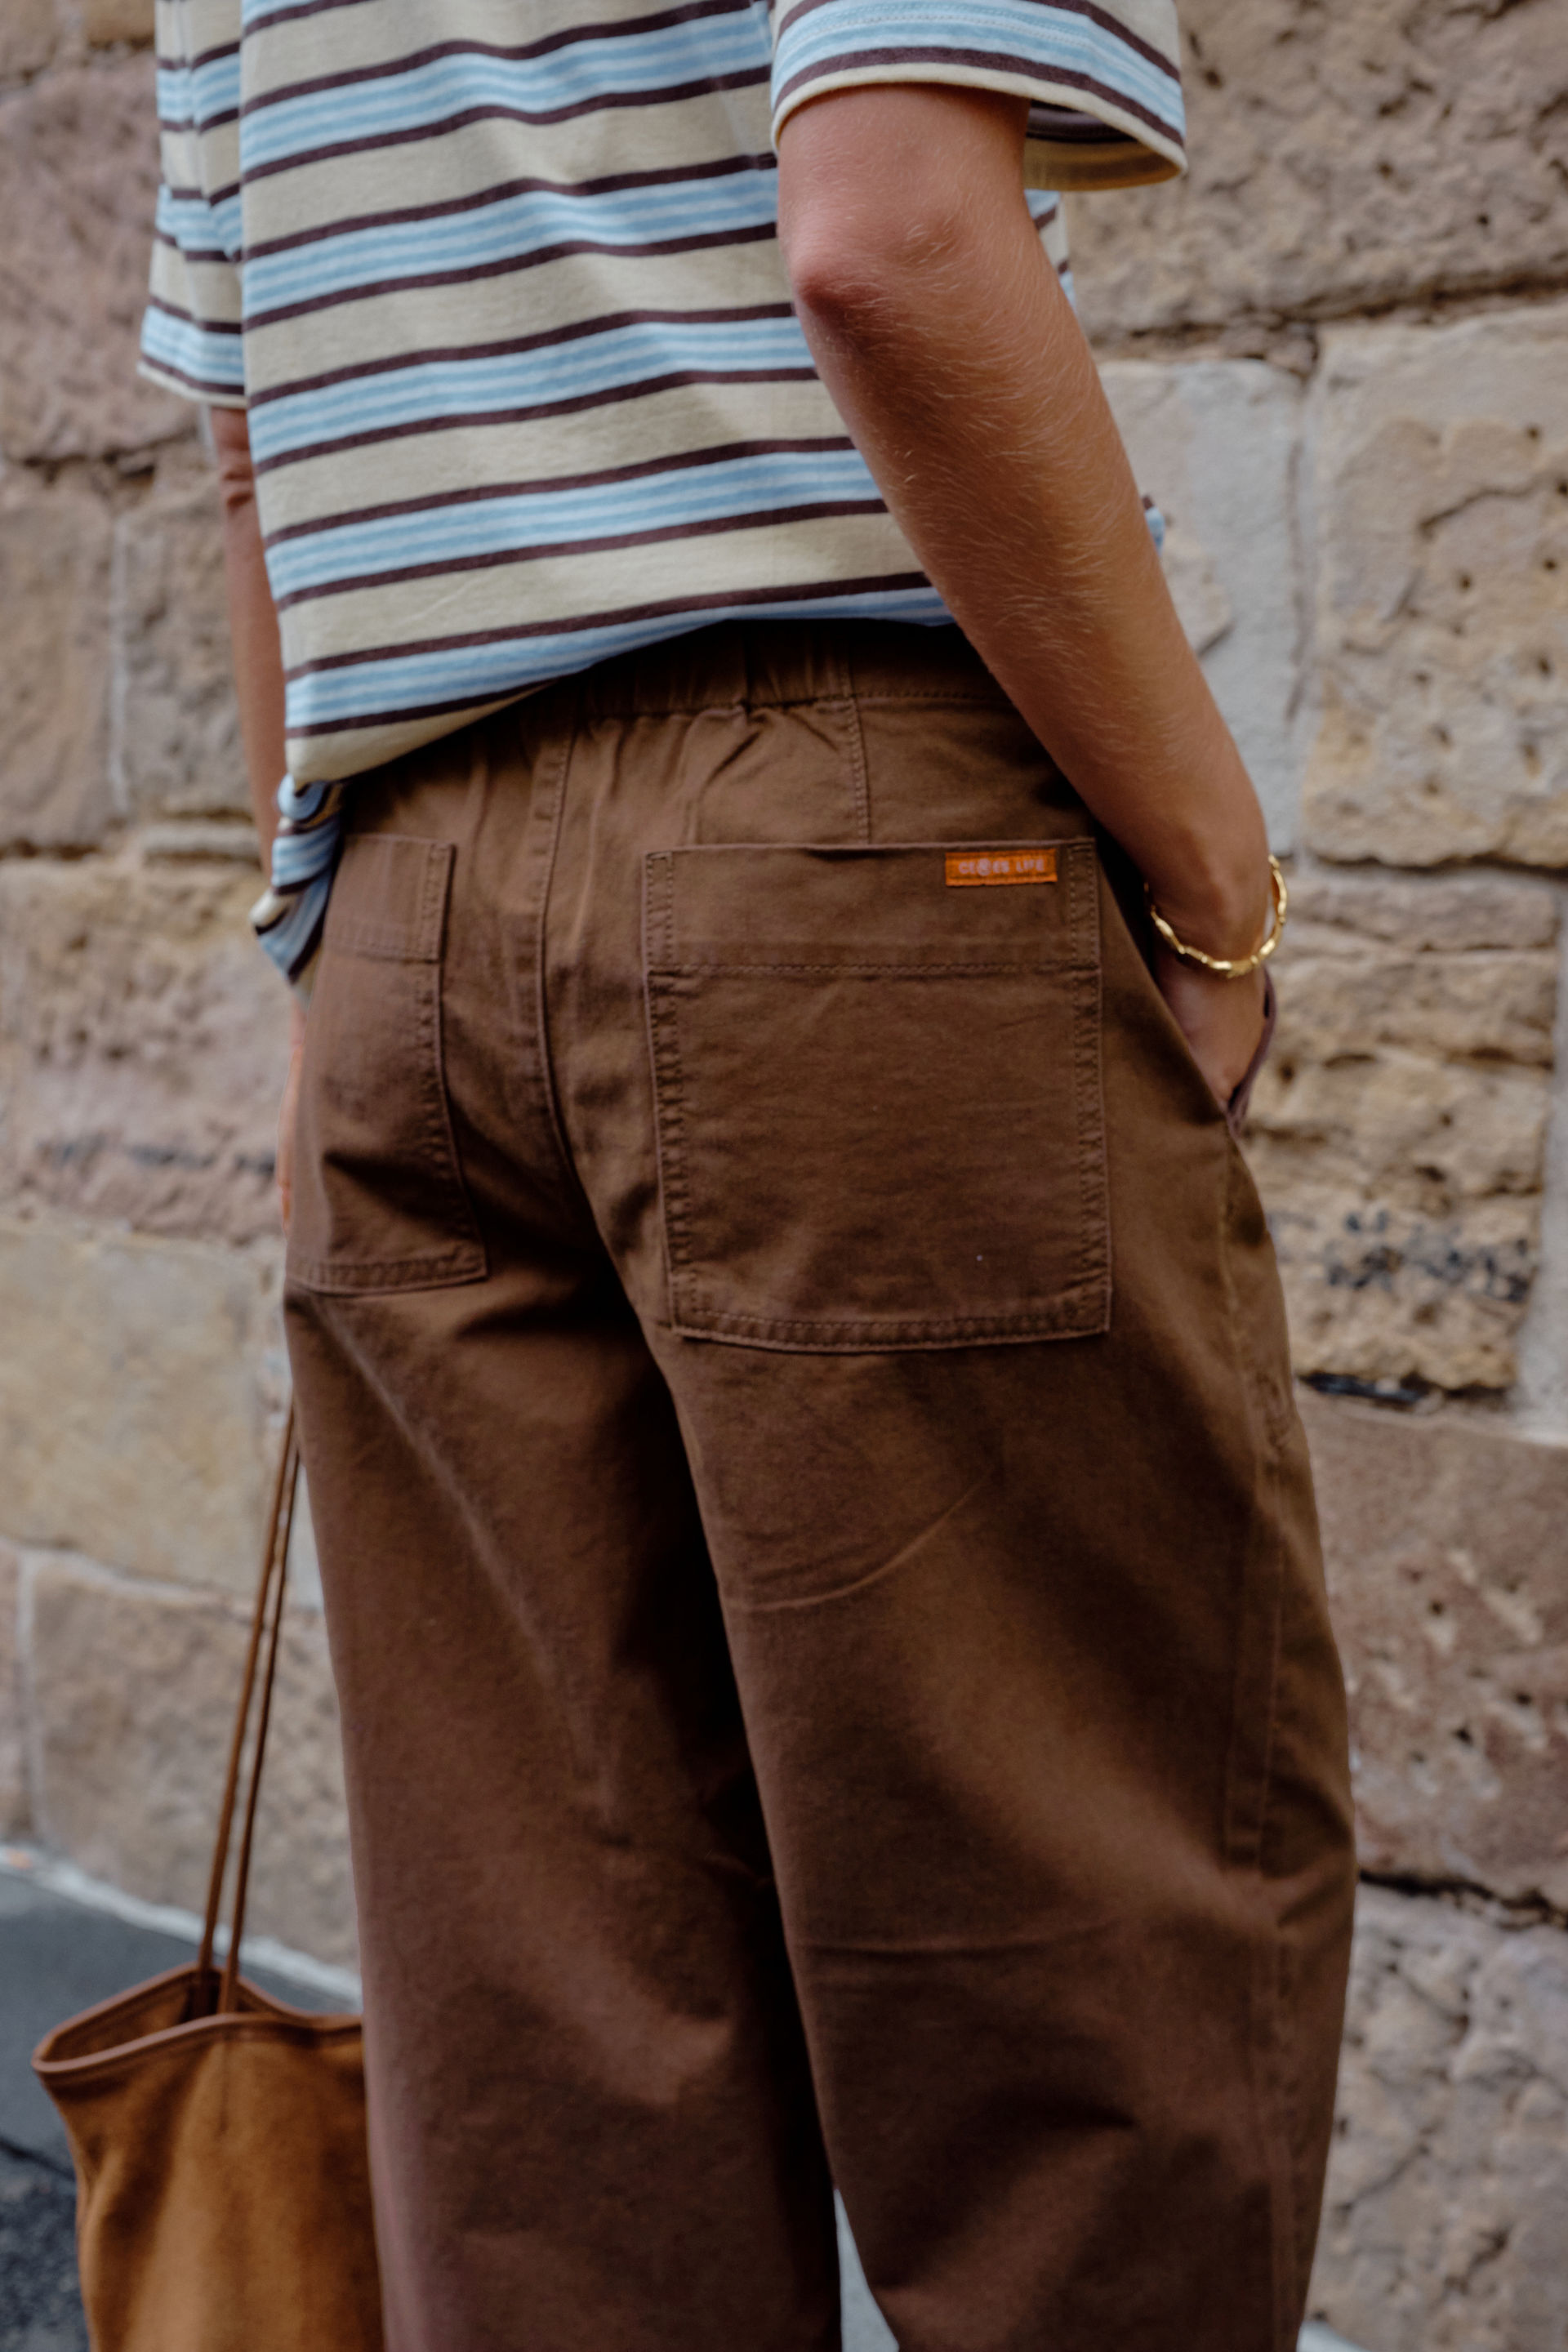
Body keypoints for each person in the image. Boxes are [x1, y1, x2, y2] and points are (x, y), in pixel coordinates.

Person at [143, 0, 1356, 2343]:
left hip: (401, 918)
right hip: (850, 877)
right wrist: (1217, 873)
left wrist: (323, 949)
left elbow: (249, 448)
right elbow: (888, 237)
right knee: (1075, 1991)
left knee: (552, 2058)